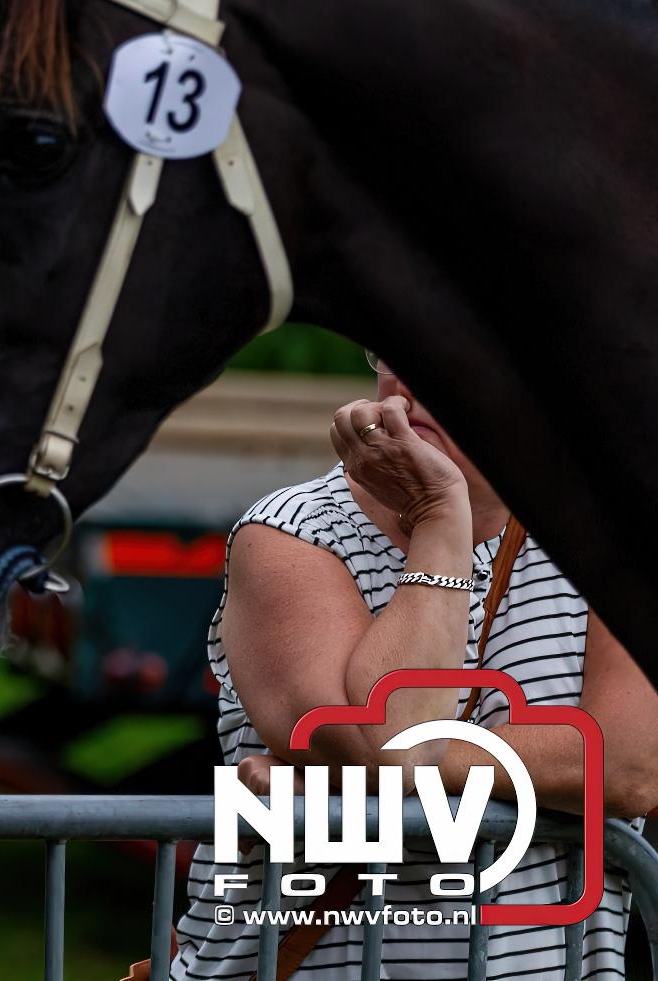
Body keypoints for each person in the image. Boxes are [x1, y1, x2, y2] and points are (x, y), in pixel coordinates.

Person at [166, 351, 658, 979]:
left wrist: (370, 773)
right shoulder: (289, 533)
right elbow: (387, 744)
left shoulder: (607, 541)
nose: (405, 379)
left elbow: (629, 767)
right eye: (390, 347)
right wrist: (438, 521)